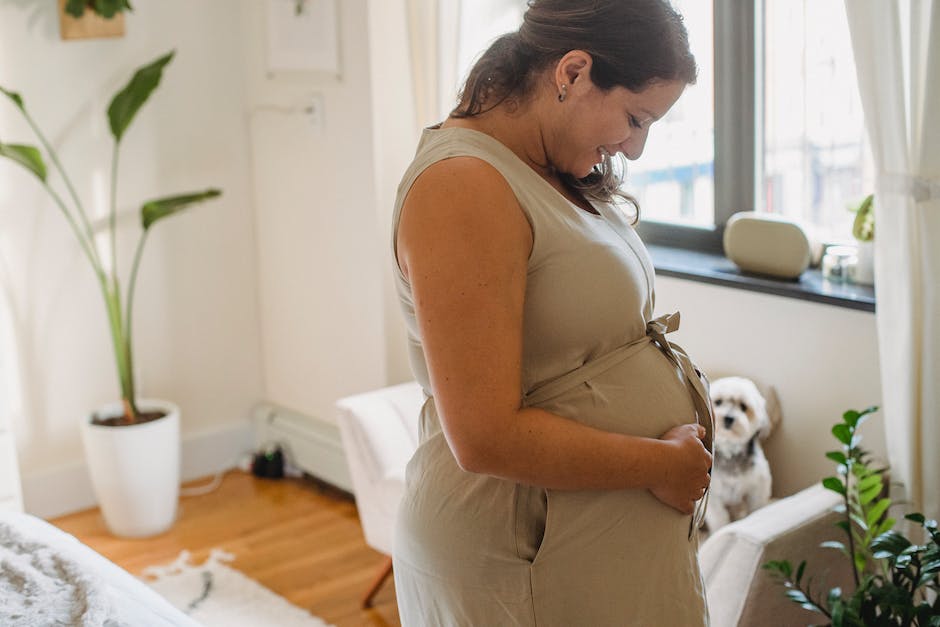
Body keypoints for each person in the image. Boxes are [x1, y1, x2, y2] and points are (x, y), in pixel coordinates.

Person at [390, 0, 715, 624]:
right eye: (634, 117)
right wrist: (662, 465)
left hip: (586, 539)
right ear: (571, 73)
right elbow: (484, 436)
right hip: (522, 548)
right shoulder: (462, 185)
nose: (636, 148)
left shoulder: (549, 167)